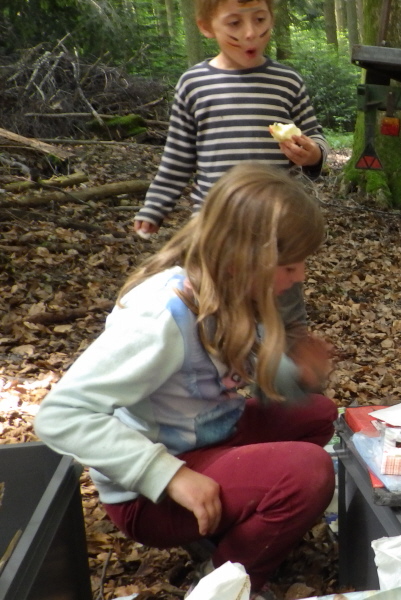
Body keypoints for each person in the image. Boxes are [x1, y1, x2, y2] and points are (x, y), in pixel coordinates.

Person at [36, 164, 336, 600]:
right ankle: (226, 580)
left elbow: (252, 365)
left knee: (318, 414)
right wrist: (169, 475)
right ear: (244, 260)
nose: (301, 276)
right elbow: (60, 415)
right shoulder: (163, 316)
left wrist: (299, 376)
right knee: (308, 471)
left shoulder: (234, 293)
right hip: (148, 494)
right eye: (289, 266)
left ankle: (227, 524)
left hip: (207, 441)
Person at [134, 0, 328, 236]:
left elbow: (314, 135)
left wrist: (314, 155)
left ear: (272, 18)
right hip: (213, 220)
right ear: (206, 27)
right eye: (235, 23)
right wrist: (155, 206)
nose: (250, 33)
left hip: (274, 218)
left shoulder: (288, 82)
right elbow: (177, 156)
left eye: (259, 19)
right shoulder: (193, 84)